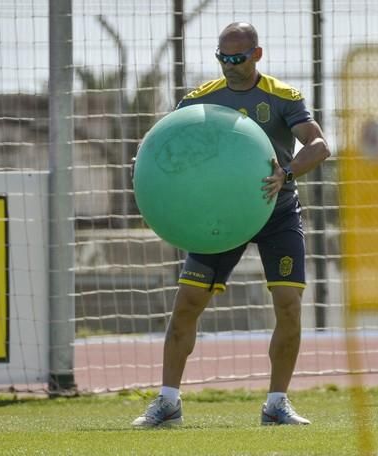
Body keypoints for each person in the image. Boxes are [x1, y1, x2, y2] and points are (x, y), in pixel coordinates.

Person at [132, 22, 330, 427]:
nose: (229, 65)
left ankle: (277, 404)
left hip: (276, 213)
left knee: (289, 307)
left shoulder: (281, 97)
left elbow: (320, 145)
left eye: (237, 58)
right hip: (218, 217)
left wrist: (287, 173)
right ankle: (167, 402)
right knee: (187, 303)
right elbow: (168, 144)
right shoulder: (202, 100)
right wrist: (149, 168)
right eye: (222, 58)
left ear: (256, 55)